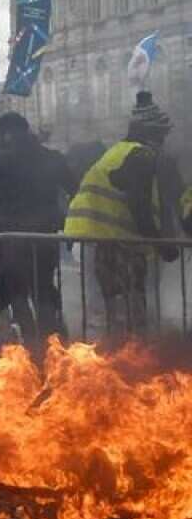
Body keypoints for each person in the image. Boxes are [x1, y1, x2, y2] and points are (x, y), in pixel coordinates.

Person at [65, 92, 178, 342]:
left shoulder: (120, 151)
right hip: (102, 241)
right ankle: (108, 370)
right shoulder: (141, 155)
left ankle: (104, 367)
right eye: (162, 135)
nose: (164, 142)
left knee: (104, 311)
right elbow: (139, 205)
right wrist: (161, 245)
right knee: (112, 313)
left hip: (94, 239)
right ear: (151, 134)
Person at [0, 113, 78, 346]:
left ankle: (30, 344)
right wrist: (66, 221)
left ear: (6, 133)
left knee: (17, 291)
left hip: (12, 238)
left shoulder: (0, 162)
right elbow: (75, 189)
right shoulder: (53, 158)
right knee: (44, 289)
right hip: (45, 236)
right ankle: (51, 344)